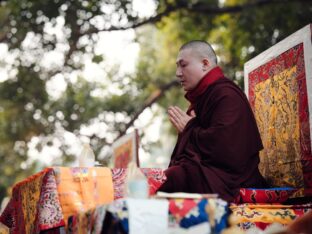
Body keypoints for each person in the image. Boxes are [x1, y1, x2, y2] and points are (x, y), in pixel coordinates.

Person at [158, 40, 267, 202]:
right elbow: (190, 155)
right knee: (168, 177)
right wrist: (190, 129)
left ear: (205, 64)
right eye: (177, 66)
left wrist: (190, 128)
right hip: (213, 174)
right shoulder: (202, 98)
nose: (178, 73)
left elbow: (227, 149)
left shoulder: (226, 95)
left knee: (172, 178)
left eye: (183, 65)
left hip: (234, 180)